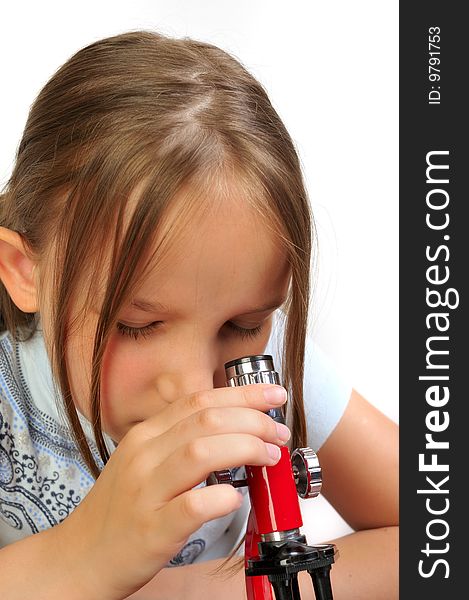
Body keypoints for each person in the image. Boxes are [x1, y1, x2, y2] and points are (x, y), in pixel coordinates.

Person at [0, 30, 398, 599]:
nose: (194, 390)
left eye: (242, 326)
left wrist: (189, 592)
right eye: (137, 325)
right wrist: (80, 560)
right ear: (23, 270)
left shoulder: (269, 369)